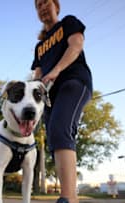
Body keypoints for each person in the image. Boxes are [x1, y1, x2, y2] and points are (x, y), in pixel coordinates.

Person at [31, 0, 93, 203]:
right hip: (51, 95)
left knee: (60, 129)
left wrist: (56, 70)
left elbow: (76, 46)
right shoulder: (39, 47)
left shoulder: (68, 22)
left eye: (45, 2)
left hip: (74, 81)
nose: (42, 7)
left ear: (56, 6)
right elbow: (37, 77)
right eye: (38, 5)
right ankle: (70, 197)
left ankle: (67, 198)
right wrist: (30, 103)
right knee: (55, 139)